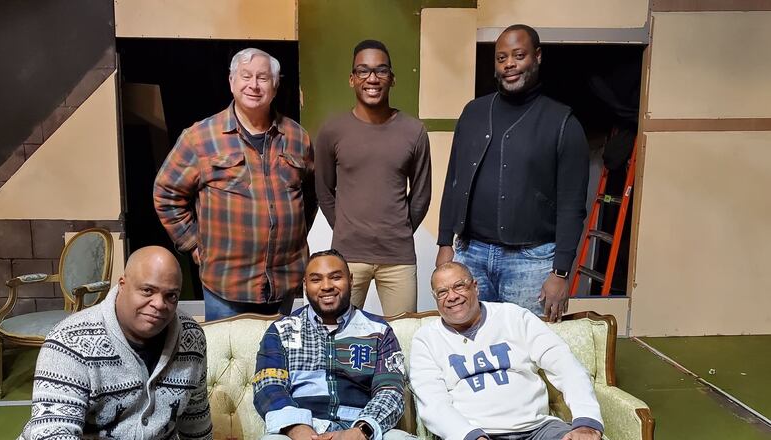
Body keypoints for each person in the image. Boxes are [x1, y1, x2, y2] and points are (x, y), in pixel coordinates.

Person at [435, 24, 589, 321]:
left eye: (519, 55)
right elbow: (453, 181)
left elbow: (572, 207)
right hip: (471, 254)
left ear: (537, 56)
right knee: (467, 341)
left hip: (531, 262)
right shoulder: (473, 112)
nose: (509, 65)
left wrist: (560, 272)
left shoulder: (562, 122)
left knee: (525, 351)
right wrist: (445, 244)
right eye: (501, 57)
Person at [154, 48, 316, 320]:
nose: (254, 85)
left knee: (277, 359)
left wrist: (292, 235)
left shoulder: (297, 137)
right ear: (232, 82)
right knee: (228, 362)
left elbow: (309, 195)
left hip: (284, 281)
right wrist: (193, 243)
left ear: (275, 86)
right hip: (225, 284)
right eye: (246, 76)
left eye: (263, 78)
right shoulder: (200, 137)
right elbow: (166, 193)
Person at [19, 246, 212, 439]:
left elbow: (196, 419)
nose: (159, 304)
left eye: (171, 296)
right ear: (122, 284)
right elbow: (54, 433)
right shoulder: (69, 341)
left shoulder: (191, 337)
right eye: (147, 290)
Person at [410, 262, 603, 440]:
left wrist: (586, 420)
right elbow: (433, 403)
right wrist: (469, 435)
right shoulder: (426, 339)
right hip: (476, 433)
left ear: (475, 287)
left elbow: (564, 364)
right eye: (442, 292)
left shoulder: (513, 316)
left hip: (538, 429)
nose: (452, 296)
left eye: (459, 286)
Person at [315, 40, 431, 316]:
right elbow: (323, 189)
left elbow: (421, 193)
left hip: (398, 258)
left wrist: (399, 229)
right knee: (340, 335)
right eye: (364, 71)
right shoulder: (333, 130)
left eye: (380, 71)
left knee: (401, 338)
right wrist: (345, 227)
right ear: (352, 79)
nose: (372, 79)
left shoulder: (414, 131)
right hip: (348, 256)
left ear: (392, 78)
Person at [252, 249, 414, 440]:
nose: (326, 286)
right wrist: (298, 429)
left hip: (360, 427)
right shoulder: (281, 330)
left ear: (351, 280)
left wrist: (361, 431)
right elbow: (268, 386)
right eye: (316, 279)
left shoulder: (379, 331)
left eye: (335, 277)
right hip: (301, 428)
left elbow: (390, 390)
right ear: (305, 285)